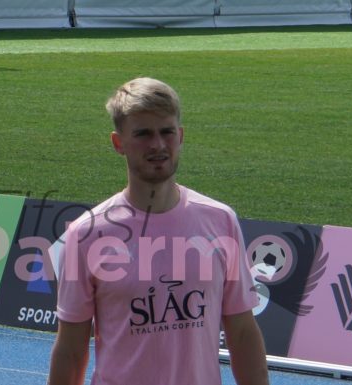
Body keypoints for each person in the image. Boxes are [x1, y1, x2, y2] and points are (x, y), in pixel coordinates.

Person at [48, 77, 268, 385]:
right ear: (118, 143)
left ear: (180, 136)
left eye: (166, 132)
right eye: (143, 134)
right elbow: (71, 351)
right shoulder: (87, 234)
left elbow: (242, 333)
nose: (158, 145)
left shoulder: (220, 221)